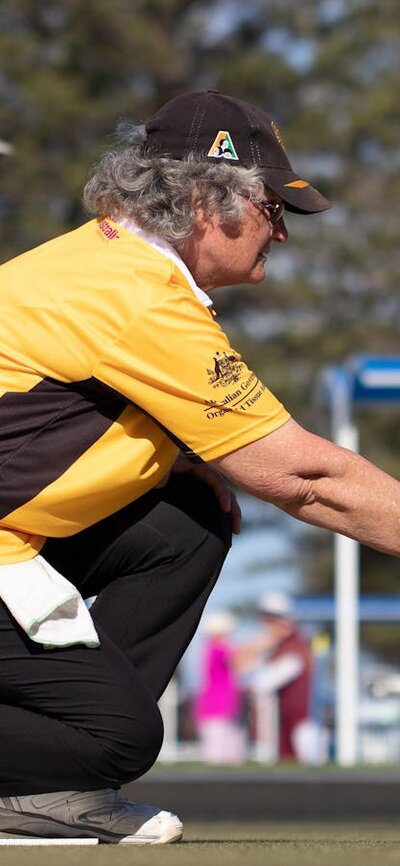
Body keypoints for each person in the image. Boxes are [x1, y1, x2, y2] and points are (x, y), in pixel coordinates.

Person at [0, 89, 399, 844]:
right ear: (199, 200)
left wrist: (174, 462)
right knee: (117, 737)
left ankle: (49, 788)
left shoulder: (104, 263)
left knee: (188, 520)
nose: (281, 234)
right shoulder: (137, 297)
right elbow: (306, 479)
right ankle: (65, 768)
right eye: (271, 208)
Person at [242, 592, 322, 763]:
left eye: (271, 620)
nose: (266, 625)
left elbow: (262, 682)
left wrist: (257, 648)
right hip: (286, 724)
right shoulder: (281, 649)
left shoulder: (294, 650)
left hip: (301, 726)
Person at [193, 610, 245, 764]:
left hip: (223, 707)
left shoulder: (212, 649)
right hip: (216, 708)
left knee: (229, 752)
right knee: (218, 754)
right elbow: (241, 658)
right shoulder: (217, 650)